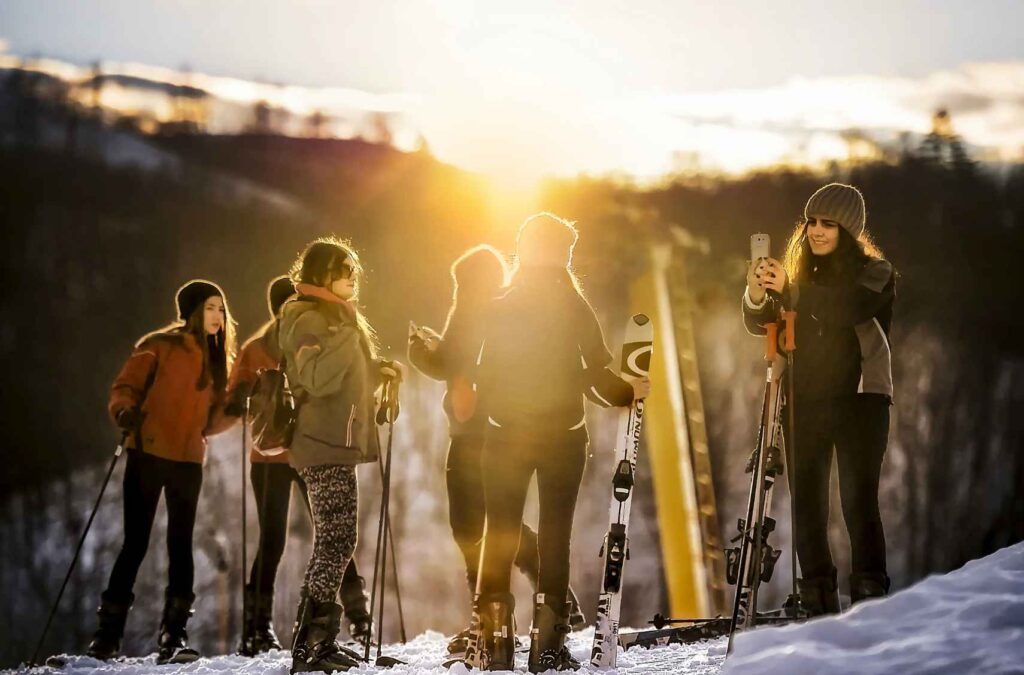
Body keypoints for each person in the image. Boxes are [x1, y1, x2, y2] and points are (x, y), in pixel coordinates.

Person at [473, 213, 650, 672]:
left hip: (503, 435)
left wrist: (499, 413)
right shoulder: (573, 305)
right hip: (562, 438)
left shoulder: (499, 304)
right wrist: (630, 392)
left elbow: (482, 375)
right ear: (561, 254)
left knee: (501, 533)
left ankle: (493, 644)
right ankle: (546, 647)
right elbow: (595, 378)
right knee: (555, 536)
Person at [407, 245, 587, 657]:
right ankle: (550, 600)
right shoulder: (508, 311)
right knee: (495, 524)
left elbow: (447, 363)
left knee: (471, 528)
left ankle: (485, 622)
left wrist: (418, 348)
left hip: (472, 435)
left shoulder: (472, 309)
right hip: (503, 430)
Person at [743, 182, 895, 615]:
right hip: (805, 401)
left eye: (828, 223)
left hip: (861, 401)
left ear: (848, 230)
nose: (816, 231)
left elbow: (847, 307)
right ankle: (816, 600)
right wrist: (758, 294)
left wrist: (793, 289)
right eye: (811, 221)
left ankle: (870, 603)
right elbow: (764, 322)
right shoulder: (799, 279)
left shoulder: (876, 273)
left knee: (857, 501)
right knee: (807, 506)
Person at [87, 279, 237, 664]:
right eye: (209, 307)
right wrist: (124, 412)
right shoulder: (159, 347)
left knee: (181, 543)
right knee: (135, 543)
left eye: (221, 308)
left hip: (188, 459)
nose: (218, 316)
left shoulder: (219, 360)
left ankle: (174, 636)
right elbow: (125, 387)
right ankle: (107, 637)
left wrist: (238, 408)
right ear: (190, 311)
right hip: (148, 452)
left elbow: (212, 420)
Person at [228, 276, 372, 656]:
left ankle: (355, 616)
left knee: (331, 532)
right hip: (271, 456)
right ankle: (259, 628)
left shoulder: (309, 338)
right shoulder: (259, 348)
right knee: (278, 538)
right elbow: (233, 396)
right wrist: (243, 395)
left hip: (302, 450)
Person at [278, 237, 402, 674]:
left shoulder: (334, 318)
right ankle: (314, 643)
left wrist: (376, 371)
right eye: (342, 268)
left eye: (353, 268)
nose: (351, 276)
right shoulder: (306, 316)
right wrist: (351, 341)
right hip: (322, 441)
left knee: (334, 539)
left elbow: (343, 375)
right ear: (320, 274)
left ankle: (312, 639)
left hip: (335, 439)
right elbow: (314, 376)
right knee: (337, 540)